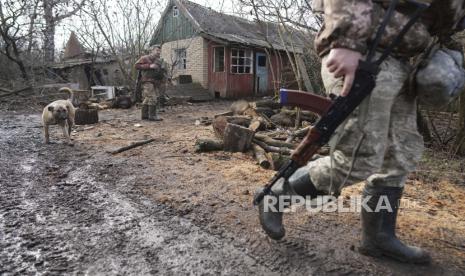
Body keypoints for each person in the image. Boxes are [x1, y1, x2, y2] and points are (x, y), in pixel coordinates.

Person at [258, 0, 465, 264]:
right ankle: (276, 197)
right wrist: (346, 40)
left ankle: (378, 238)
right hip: (366, 54)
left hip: (403, 65)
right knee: (358, 159)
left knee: (398, 156)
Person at [134, 45, 168, 121]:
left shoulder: (159, 60)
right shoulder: (145, 58)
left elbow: (162, 71)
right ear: (152, 50)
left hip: (156, 82)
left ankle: (144, 115)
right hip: (147, 81)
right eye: (157, 50)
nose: (158, 52)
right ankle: (152, 116)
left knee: (148, 98)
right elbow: (136, 66)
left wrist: (163, 79)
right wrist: (149, 66)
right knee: (152, 97)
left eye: (159, 51)